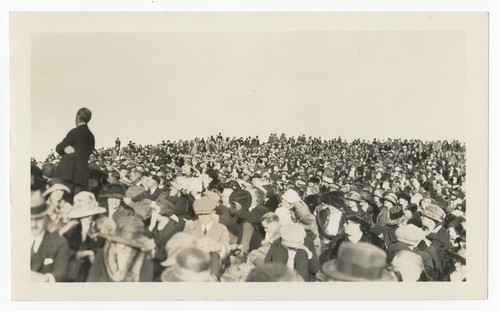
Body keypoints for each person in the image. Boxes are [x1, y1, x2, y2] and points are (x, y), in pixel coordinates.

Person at [86, 215, 156, 282]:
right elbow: (91, 281)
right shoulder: (103, 255)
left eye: (129, 244)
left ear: (136, 245)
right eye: (119, 242)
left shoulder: (144, 260)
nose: (123, 246)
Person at [31, 190, 70, 282]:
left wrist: (46, 278)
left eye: (38, 219)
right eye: (30, 219)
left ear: (45, 218)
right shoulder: (14, 241)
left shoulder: (59, 243)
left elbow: (61, 273)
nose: (33, 224)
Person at [54, 108, 95, 195]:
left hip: (68, 174)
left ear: (77, 117)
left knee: (65, 201)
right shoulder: (91, 136)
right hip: (82, 176)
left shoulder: (75, 132)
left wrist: (64, 149)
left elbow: (58, 148)